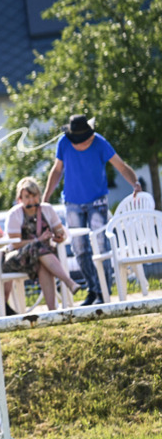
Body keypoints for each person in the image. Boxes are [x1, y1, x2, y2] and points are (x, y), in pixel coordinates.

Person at [43, 114, 142, 305]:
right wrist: (45, 199)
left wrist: (135, 183)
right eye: (79, 141)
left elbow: (121, 167)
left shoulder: (100, 143)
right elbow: (56, 171)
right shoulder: (64, 143)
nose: (84, 142)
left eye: (87, 138)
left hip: (97, 202)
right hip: (72, 203)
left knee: (100, 243)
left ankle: (104, 291)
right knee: (79, 247)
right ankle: (93, 289)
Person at [2, 177, 79, 311]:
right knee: (39, 248)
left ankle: (52, 311)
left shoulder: (47, 209)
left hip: (43, 257)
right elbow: (15, 244)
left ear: (39, 195)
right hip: (17, 258)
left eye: (34, 196)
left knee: (42, 264)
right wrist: (37, 240)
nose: (31, 201)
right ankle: (68, 281)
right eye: (27, 197)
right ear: (20, 198)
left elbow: (59, 229)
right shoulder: (14, 214)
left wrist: (60, 236)